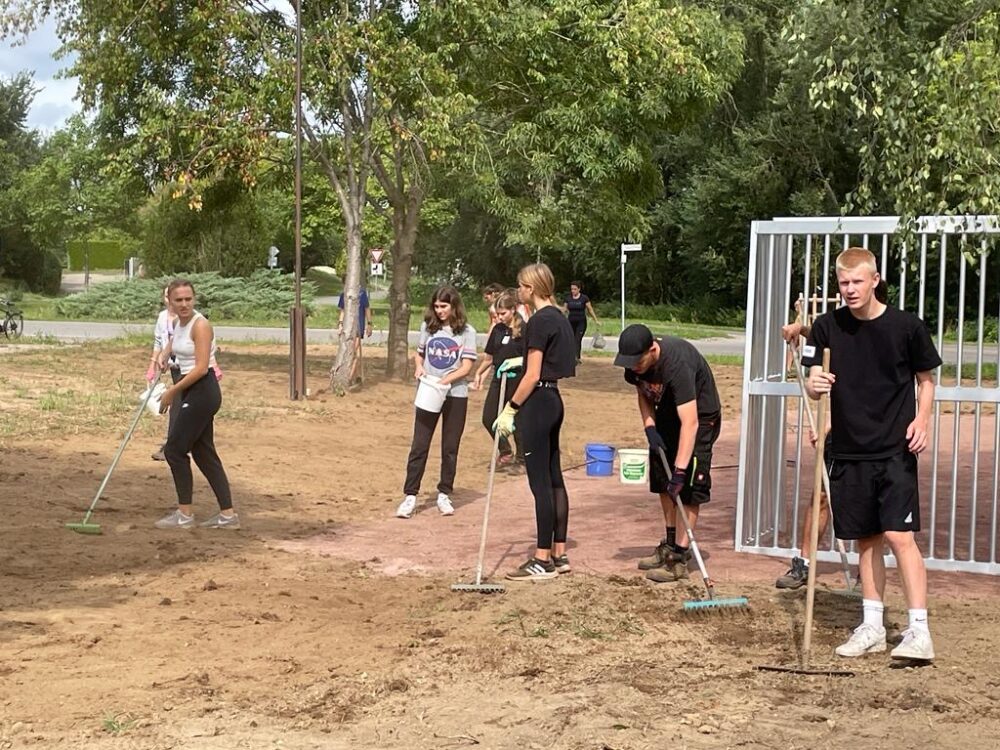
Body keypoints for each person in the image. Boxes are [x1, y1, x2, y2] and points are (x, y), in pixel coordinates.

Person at [802, 247, 940, 662]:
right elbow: (810, 377)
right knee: (867, 541)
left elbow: (927, 379)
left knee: (900, 535)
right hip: (848, 449)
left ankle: (919, 630)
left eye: (857, 282)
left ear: (874, 280)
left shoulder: (906, 327)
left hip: (895, 447)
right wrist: (815, 384)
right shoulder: (825, 328)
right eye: (843, 283)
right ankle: (873, 626)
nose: (850, 290)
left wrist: (923, 420)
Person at [776, 279, 889, 589]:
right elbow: (826, 337)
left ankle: (868, 568)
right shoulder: (843, 328)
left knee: (870, 503)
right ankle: (804, 563)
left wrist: (829, 425)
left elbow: (870, 401)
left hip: (873, 437)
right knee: (822, 494)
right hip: (840, 432)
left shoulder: (882, 338)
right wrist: (800, 330)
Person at [613, 324, 722, 583]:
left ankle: (680, 556)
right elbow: (644, 393)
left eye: (637, 361)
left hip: (700, 418)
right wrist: (650, 426)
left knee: (688, 486)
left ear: (652, 350)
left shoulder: (677, 364)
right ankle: (670, 543)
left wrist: (682, 470)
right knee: (664, 480)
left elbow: (691, 422)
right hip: (667, 415)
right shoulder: (635, 366)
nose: (633, 367)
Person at [494, 263, 576, 580]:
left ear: (530, 288)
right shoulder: (560, 318)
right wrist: (521, 358)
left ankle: (541, 558)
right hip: (554, 400)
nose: (518, 291)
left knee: (539, 481)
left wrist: (511, 408)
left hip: (538, 402)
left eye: (520, 286)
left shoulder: (539, 321)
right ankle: (559, 551)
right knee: (555, 477)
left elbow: (533, 374)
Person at [154, 279, 239, 530]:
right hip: (190, 390)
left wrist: (172, 391)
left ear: (194, 299)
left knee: (174, 450)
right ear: (169, 301)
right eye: (178, 300)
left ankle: (184, 515)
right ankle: (227, 515)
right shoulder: (178, 323)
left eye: (188, 299)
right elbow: (174, 345)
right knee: (203, 452)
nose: (184, 304)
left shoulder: (200, 325)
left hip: (202, 392)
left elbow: (202, 368)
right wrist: (163, 356)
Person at [396, 285, 478, 519]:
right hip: (429, 391)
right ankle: (410, 495)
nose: (440, 311)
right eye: (437, 307)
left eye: (444, 306)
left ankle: (444, 493)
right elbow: (419, 354)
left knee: (450, 446)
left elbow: (466, 366)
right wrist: (420, 368)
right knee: (419, 444)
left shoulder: (466, 332)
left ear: (454, 307)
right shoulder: (428, 328)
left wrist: (445, 380)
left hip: (455, 394)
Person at [473, 289, 525, 467]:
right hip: (498, 377)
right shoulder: (497, 329)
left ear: (514, 309)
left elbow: (532, 358)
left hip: (518, 379)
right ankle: (505, 451)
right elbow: (489, 357)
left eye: (503, 313)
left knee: (517, 420)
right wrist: (479, 372)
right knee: (488, 417)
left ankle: (522, 459)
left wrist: (519, 362)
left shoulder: (524, 329)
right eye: (498, 314)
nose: (500, 317)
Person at [149, 286, 177, 462]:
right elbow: (159, 342)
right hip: (174, 369)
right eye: (167, 295)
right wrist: (153, 365)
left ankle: (171, 447)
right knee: (180, 408)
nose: (170, 299)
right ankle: (174, 445)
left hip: (189, 369)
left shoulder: (190, 318)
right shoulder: (161, 318)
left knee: (178, 407)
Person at [337, 285, 373, 386]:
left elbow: (367, 309)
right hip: (347, 328)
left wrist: (369, 324)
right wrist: (340, 324)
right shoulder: (344, 294)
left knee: (352, 352)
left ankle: (348, 378)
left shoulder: (361, 294)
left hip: (358, 327)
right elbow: (342, 311)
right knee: (348, 352)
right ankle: (356, 376)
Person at [561, 281, 600, 364]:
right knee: (570, 339)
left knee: (577, 339)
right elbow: (564, 310)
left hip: (581, 322)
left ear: (579, 289)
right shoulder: (568, 298)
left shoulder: (584, 298)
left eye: (575, 289)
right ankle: (571, 356)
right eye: (572, 289)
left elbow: (590, 309)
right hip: (571, 322)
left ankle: (576, 357)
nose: (573, 291)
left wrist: (596, 320)